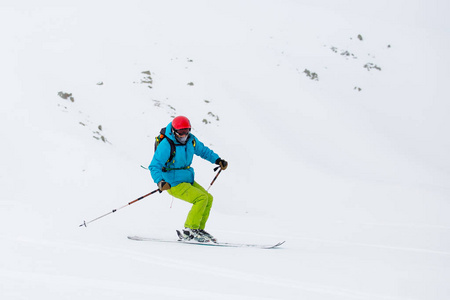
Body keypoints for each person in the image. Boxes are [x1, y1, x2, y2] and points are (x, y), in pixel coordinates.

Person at [149, 116, 228, 243]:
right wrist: (160, 181)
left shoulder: (191, 140)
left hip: (187, 178)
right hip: (172, 183)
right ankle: (189, 230)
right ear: (174, 131)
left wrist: (217, 160)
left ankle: (198, 230)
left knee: (208, 198)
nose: (184, 135)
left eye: (187, 131)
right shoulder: (166, 145)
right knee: (201, 198)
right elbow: (154, 165)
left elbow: (204, 151)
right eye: (181, 132)